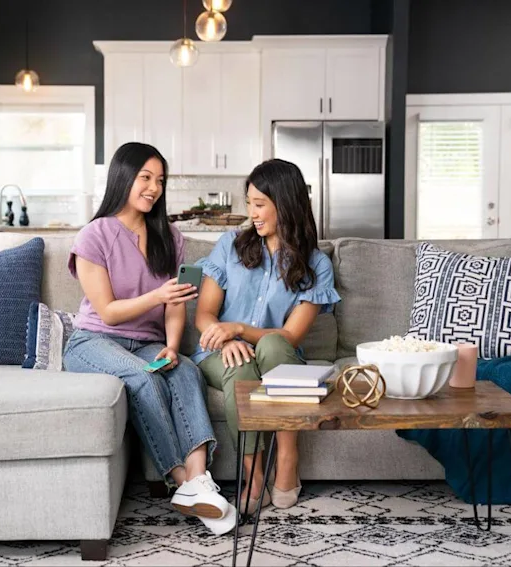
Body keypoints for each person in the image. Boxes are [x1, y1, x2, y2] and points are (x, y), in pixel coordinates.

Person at [63, 142, 236, 535]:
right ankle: (183, 481)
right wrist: (156, 296)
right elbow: (107, 311)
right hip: (94, 341)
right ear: (123, 177)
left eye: (159, 180)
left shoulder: (169, 236)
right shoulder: (95, 235)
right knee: (143, 377)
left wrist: (173, 346)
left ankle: (199, 479)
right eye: (145, 178)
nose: (153, 188)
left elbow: (176, 305)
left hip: (147, 343)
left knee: (187, 373)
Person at [192, 158, 341, 513]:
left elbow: (291, 335)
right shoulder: (231, 245)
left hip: (277, 354)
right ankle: (255, 475)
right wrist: (228, 339)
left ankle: (287, 457)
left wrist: (241, 329)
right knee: (241, 370)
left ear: (284, 204)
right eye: (249, 203)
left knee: (273, 343)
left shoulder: (316, 264)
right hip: (222, 353)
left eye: (259, 204)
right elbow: (205, 314)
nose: (251, 213)